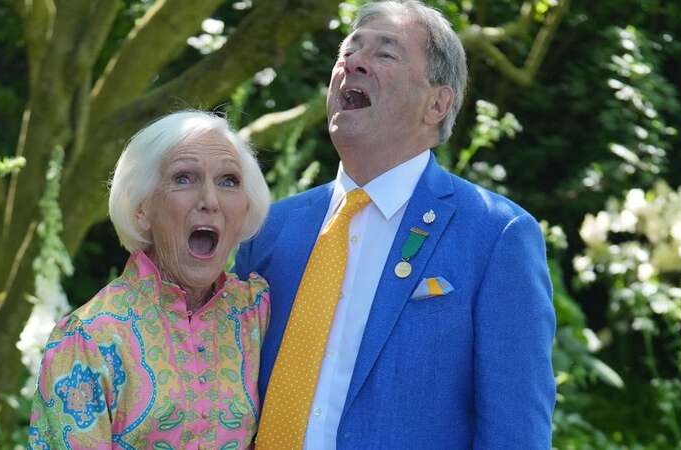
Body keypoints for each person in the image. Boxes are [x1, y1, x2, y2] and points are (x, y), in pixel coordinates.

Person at [235, 1, 555, 449]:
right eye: (348, 51)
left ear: (437, 104)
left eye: (385, 54)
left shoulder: (496, 235)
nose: (354, 63)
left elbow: (515, 434)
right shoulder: (268, 229)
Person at [28, 110, 272, 449]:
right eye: (184, 178)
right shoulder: (89, 337)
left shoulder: (256, 312)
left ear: (245, 208)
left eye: (229, 181)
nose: (210, 201)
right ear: (141, 208)